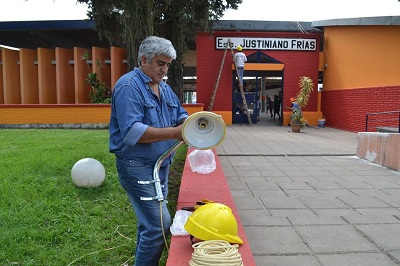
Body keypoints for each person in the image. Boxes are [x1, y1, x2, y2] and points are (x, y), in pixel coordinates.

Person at [109, 36, 189, 266]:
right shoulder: (128, 86)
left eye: (167, 65)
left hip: (160, 165)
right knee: (158, 226)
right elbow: (133, 132)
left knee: (149, 225)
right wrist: (175, 132)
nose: (164, 70)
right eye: (160, 63)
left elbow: (179, 113)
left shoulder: (163, 87)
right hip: (137, 167)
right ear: (144, 59)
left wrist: (189, 123)